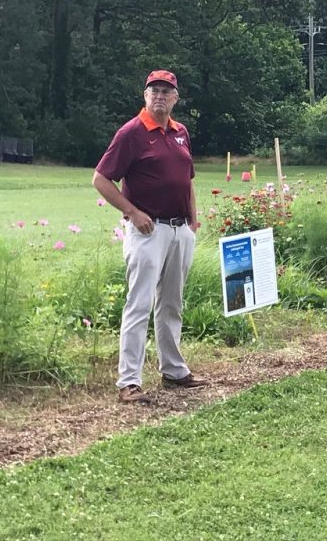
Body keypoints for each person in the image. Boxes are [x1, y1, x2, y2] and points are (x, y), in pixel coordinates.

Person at [93, 70, 206, 403]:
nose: (160, 96)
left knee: (172, 302)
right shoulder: (132, 133)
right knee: (139, 303)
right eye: (154, 91)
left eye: (166, 91)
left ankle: (174, 370)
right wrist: (132, 212)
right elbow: (101, 179)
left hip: (179, 228)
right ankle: (129, 381)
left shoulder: (180, 132)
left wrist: (193, 221)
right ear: (145, 96)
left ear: (175, 98)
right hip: (148, 229)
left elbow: (188, 179)